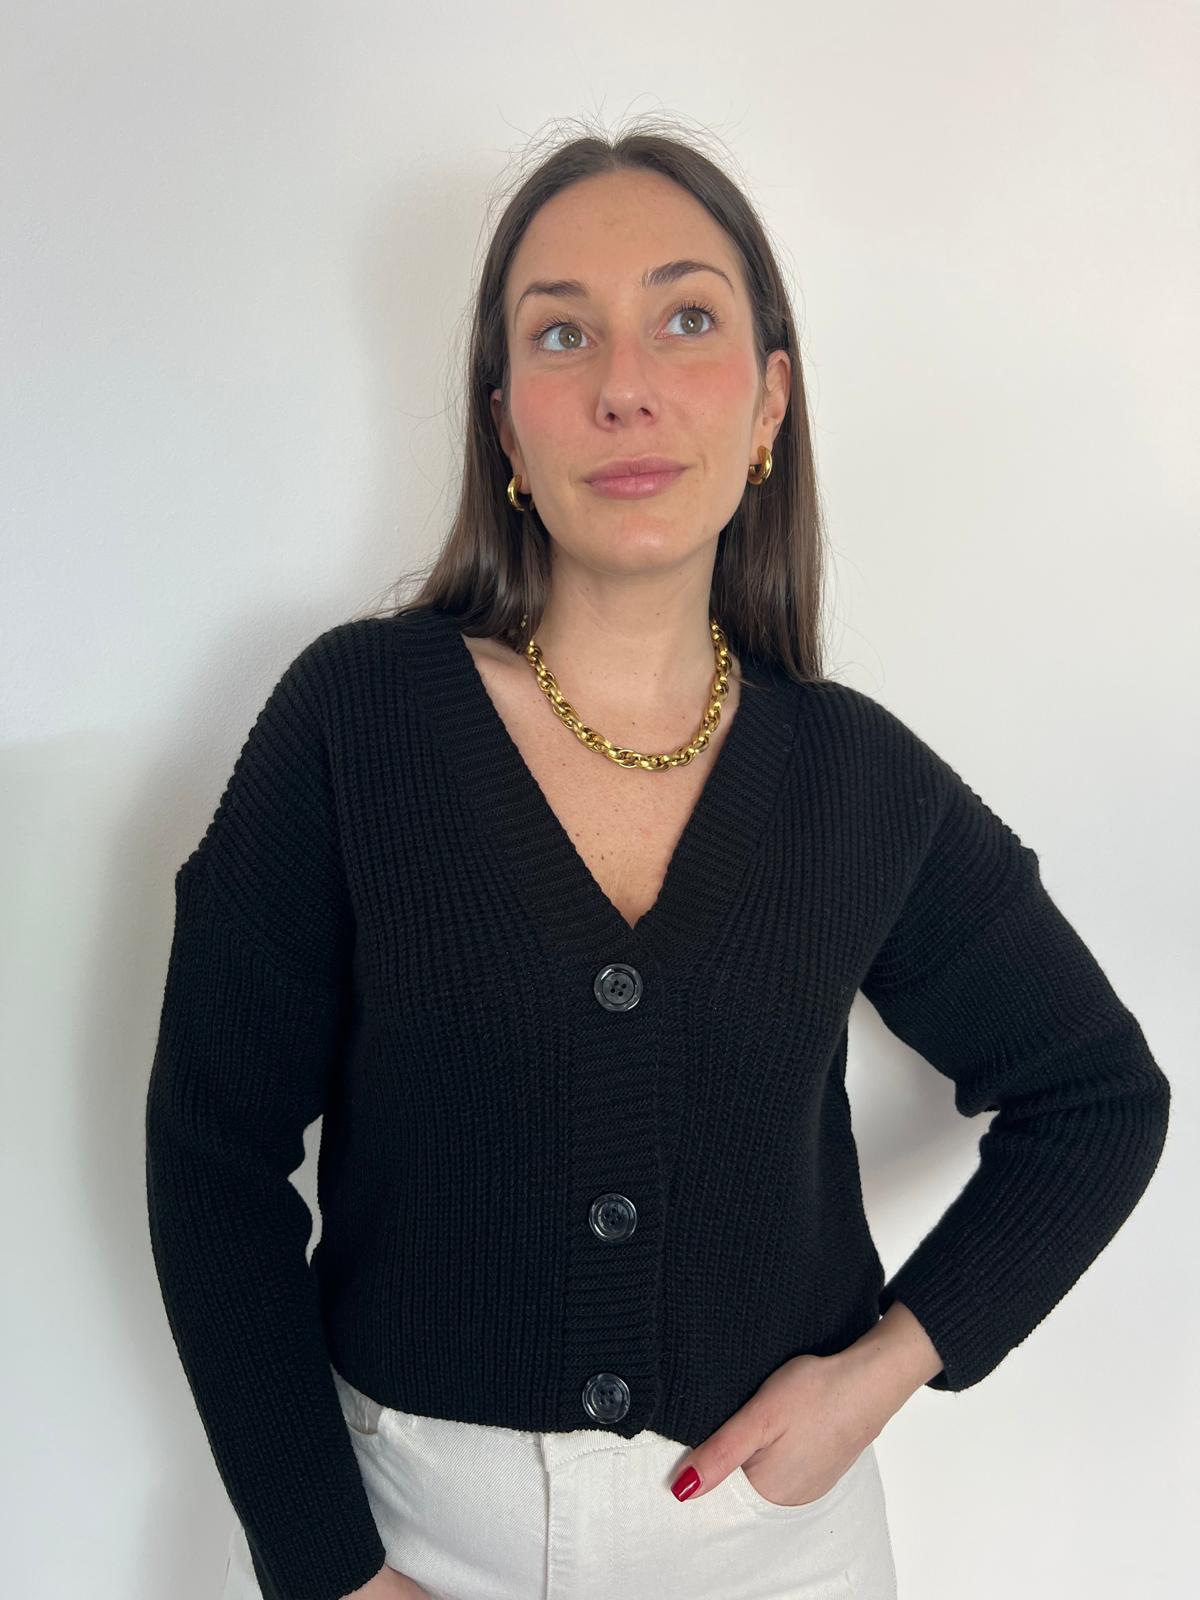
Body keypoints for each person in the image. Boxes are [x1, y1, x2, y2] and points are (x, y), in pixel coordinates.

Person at [145, 122, 1170, 1600]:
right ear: (507, 428)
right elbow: (213, 1154)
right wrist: (327, 1571)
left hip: (778, 1551)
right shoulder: (357, 724)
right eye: (562, 334)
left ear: (769, 404)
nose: (624, 384)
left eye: (686, 319)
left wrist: (882, 1372)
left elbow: (1098, 1097)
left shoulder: (857, 779)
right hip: (411, 1540)